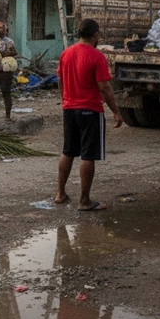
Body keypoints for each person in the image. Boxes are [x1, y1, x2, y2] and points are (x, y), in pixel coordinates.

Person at [54, 19, 123, 211]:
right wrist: (116, 111)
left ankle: (60, 193)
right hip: (90, 110)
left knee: (68, 151)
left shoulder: (66, 53)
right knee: (88, 155)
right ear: (96, 35)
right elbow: (104, 87)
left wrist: (65, 100)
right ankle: (84, 200)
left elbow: (60, 81)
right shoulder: (96, 56)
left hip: (70, 108)